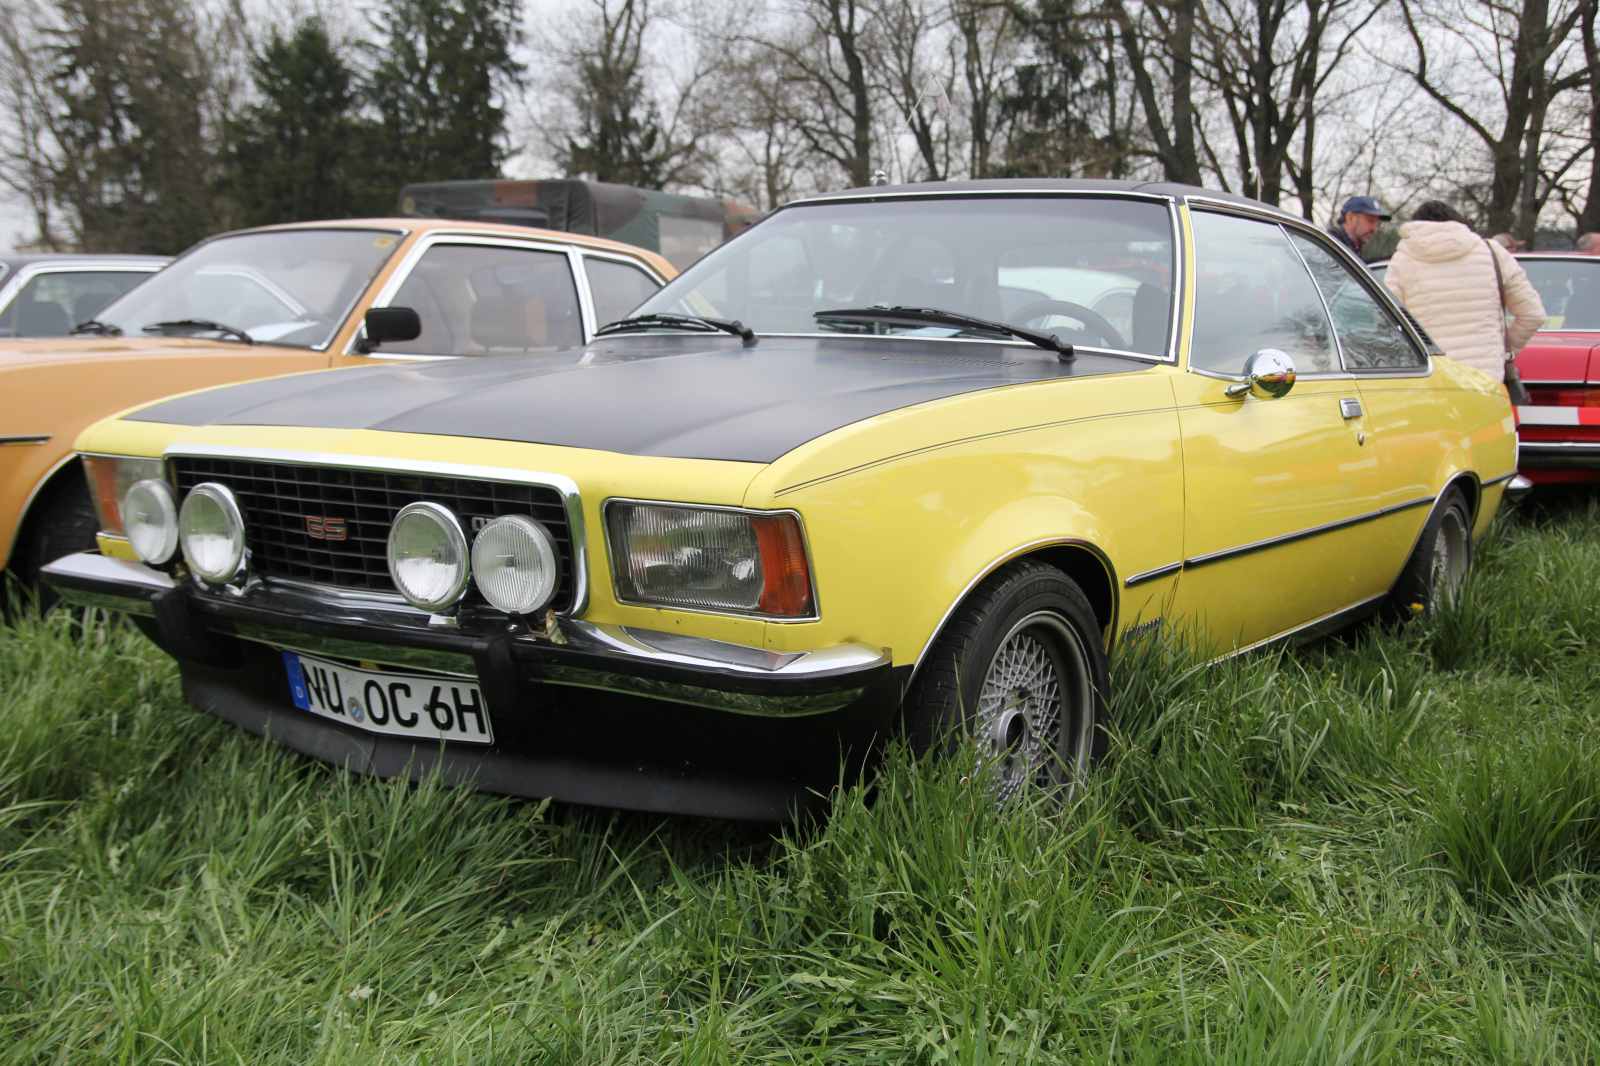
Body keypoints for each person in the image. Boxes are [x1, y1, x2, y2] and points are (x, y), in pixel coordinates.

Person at [1383, 200, 1544, 385]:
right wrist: (1501, 353)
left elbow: (1387, 326)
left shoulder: (1402, 260)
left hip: (1431, 380)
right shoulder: (1492, 252)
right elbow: (1533, 315)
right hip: (1486, 379)